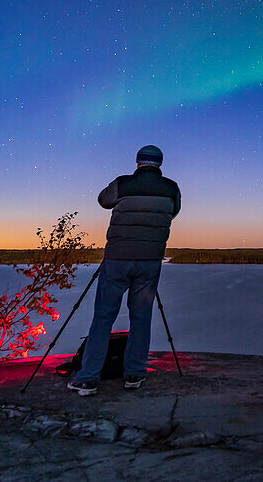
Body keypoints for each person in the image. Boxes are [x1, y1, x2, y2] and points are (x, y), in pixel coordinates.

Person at [67, 145, 181, 396]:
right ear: (159, 163)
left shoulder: (123, 183)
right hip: (149, 260)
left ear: (138, 161)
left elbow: (103, 201)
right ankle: (134, 374)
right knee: (141, 318)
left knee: (103, 318)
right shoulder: (171, 188)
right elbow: (174, 212)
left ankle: (88, 378)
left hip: (117, 259)